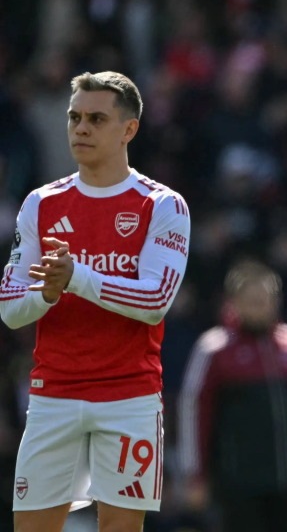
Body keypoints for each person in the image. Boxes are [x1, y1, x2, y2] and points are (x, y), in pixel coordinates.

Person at [2, 71, 190, 532]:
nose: (81, 128)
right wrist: (47, 293)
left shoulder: (163, 205)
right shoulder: (41, 203)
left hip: (129, 396)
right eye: (75, 117)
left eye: (96, 119)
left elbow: (156, 300)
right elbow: (10, 308)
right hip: (54, 393)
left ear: (129, 129)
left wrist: (77, 277)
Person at [178, 261, 287, 532]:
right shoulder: (214, 350)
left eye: (266, 299)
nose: (261, 306)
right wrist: (196, 475)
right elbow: (194, 412)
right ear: (234, 303)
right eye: (252, 301)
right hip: (238, 486)